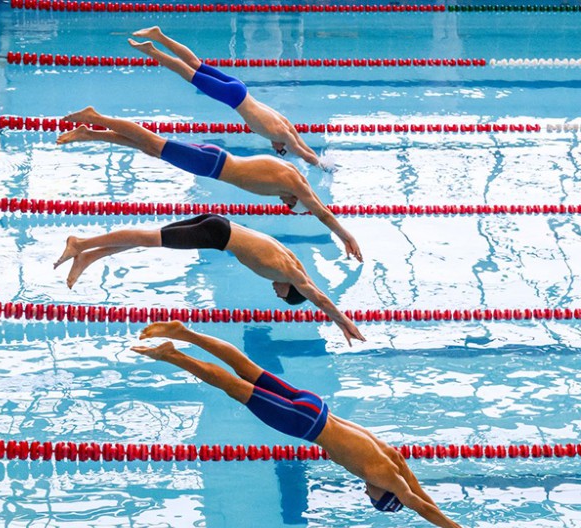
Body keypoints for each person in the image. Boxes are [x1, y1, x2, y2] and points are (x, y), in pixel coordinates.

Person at [131, 321, 476, 528]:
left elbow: (416, 489)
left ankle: (186, 334)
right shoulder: (382, 475)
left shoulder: (391, 459)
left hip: (314, 405)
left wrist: (437, 509)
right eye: (372, 497)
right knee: (233, 386)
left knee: (248, 370)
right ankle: (174, 354)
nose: (365, 492)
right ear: (384, 493)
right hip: (304, 423)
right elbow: (416, 502)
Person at [57, 107, 360, 260]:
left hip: (215, 157)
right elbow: (322, 212)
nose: (285, 203)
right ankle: (96, 118)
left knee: (151, 147)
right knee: (152, 141)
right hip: (211, 165)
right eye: (290, 203)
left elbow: (291, 146)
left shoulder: (287, 171)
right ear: (295, 197)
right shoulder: (296, 188)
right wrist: (346, 236)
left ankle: (90, 133)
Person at [53, 214, 364, 345]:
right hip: (217, 233)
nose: (276, 292)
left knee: (149, 239)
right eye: (281, 295)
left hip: (219, 225)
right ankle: (81, 243)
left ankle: (89, 256)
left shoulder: (291, 261)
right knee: (148, 237)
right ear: (292, 289)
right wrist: (344, 322)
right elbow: (319, 297)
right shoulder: (290, 273)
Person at [129, 27, 321, 166]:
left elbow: (303, 146)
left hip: (240, 88)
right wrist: (321, 165)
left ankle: (159, 35)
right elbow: (304, 153)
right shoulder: (281, 134)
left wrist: (316, 157)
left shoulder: (284, 124)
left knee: (195, 64)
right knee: (189, 74)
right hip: (233, 97)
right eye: (279, 150)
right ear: (283, 146)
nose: (275, 148)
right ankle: (152, 50)